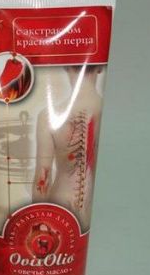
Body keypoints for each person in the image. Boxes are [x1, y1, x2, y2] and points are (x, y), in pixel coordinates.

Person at [32, 65, 104, 233]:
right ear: (100, 67)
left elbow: (42, 178)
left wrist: (37, 227)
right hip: (99, 213)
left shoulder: (47, 117)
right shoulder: (114, 113)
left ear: (66, 67)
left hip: (60, 210)